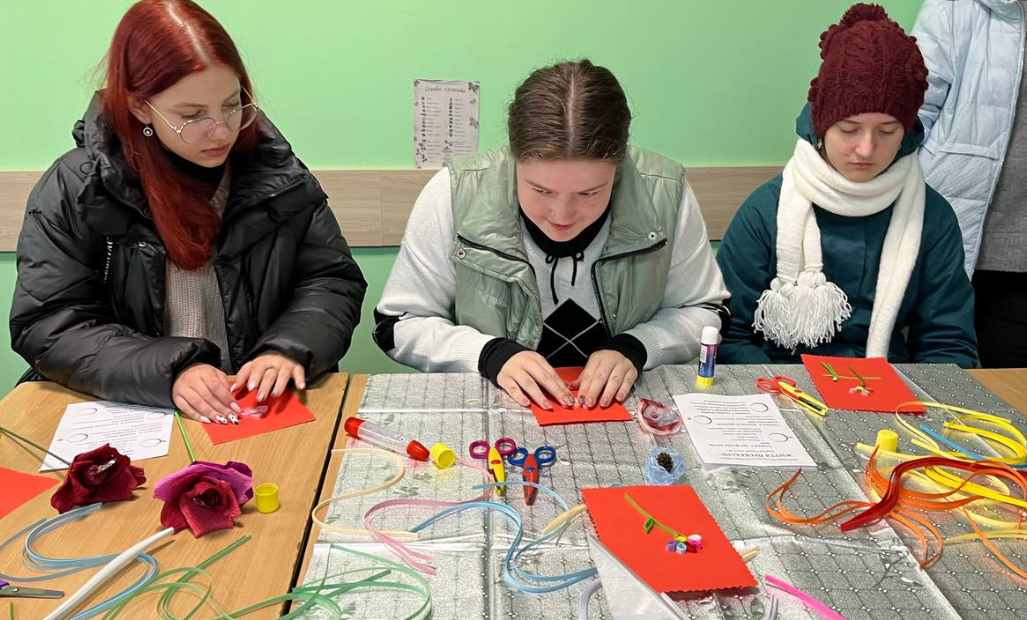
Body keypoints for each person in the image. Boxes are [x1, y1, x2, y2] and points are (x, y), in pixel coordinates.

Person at [10, 0, 366, 423]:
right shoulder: (77, 187)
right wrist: (170, 370)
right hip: (142, 410)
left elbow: (330, 279)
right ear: (140, 106)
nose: (222, 131)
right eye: (192, 115)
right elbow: (50, 322)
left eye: (232, 105)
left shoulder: (275, 171)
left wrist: (287, 348)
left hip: (252, 408)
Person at [373, 60, 729, 410]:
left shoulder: (664, 193)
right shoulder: (455, 192)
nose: (562, 216)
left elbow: (707, 311)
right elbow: (398, 324)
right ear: (513, 157)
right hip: (494, 412)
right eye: (541, 190)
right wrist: (487, 354)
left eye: (590, 193)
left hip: (626, 413)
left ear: (619, 166)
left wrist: (638, 346)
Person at [716, 3, 976, 368]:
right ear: (822, 126)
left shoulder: (932, 216)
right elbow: (727, 335)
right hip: (779, 381)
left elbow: (948, 343)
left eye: (887, 131)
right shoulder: (765, 210)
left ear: (906, 133)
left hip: (889, 382)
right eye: (849, 130)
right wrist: (784, 390)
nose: (866, 149)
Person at [914, 0, 1027, 367]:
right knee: (940, 375)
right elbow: (912, 111)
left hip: (1020, 260)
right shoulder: (954, 7)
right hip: (954, 232)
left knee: (1011, 388)